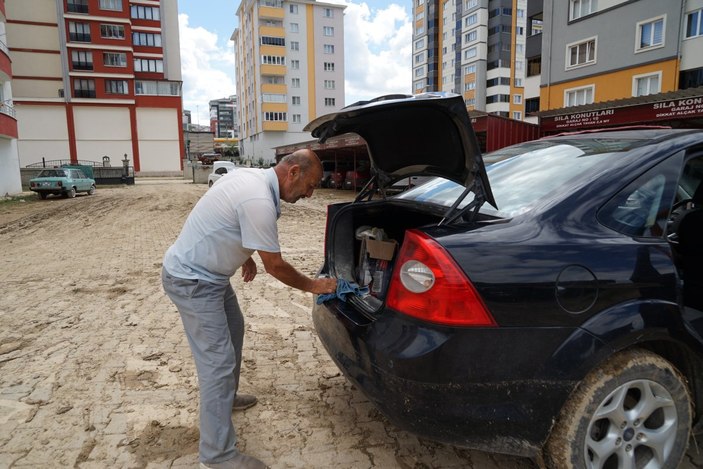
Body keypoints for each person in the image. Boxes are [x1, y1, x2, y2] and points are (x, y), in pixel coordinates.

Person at [162, 149, 337, 469]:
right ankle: (217, 456)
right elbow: (276, 266)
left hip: (208, 277)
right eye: (310, 185)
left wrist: (243, 253)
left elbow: (224, 214)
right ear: (293, 172)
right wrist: (314, 285)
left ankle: (225, 400)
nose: (310, 194)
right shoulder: (258, 199)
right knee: (217, 362)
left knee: (235, 328)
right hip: (193, 282)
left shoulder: (251, 178)